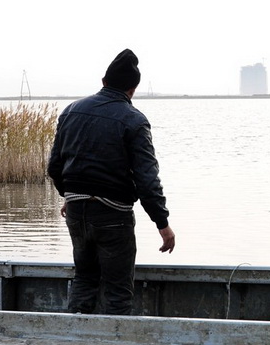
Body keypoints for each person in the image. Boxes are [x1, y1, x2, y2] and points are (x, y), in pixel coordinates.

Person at [48, 49, 175, 314]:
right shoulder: (135, 120)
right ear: (133, 88)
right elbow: (147, 179)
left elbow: (54, 166)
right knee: (118, 291)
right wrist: (162, 224)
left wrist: (70, 196)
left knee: (84, 279)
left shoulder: (71, 111)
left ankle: (74, 343)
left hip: (77, 211)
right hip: (113, 215)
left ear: (104, 81)